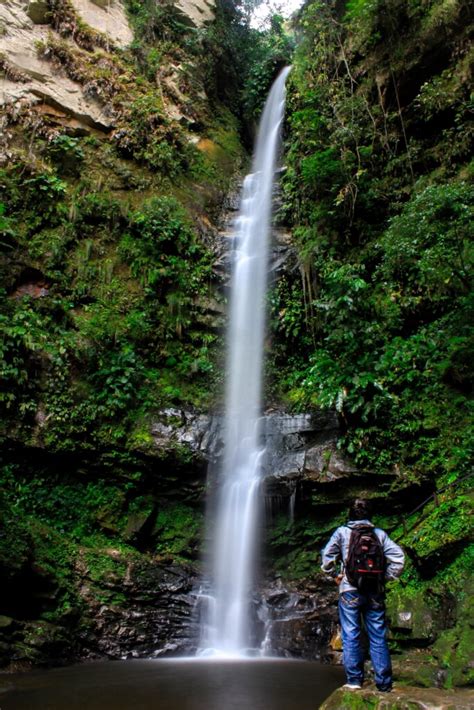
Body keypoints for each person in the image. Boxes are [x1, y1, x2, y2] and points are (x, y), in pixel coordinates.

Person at [321, 498, 405, 692]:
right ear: (370, 515)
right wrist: (385, 577)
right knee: (378, 635)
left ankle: (354, 681)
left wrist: (335, 575)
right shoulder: (379, 535)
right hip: (375, 591)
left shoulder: (342, 532)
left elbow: (327, 558)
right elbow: (399, 559)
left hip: (349, 590)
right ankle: (384, 684)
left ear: (349, 515)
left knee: (351, 635)